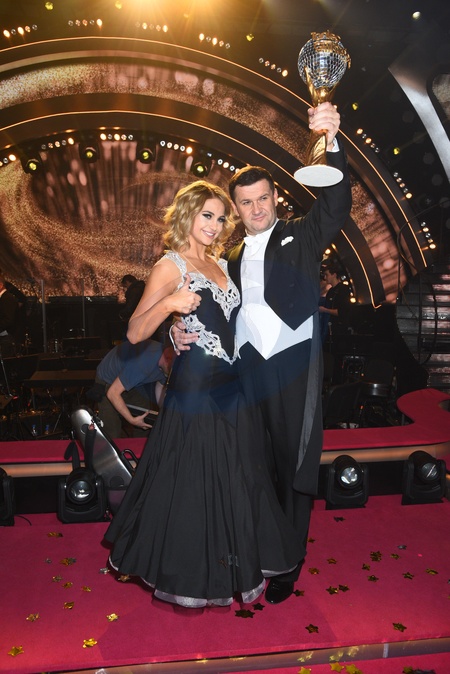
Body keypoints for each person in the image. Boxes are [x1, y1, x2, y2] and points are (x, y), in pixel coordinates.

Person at [173, 102, 352, 604]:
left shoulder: (302, 234)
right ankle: (258, 551)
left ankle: (289, 563)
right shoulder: (226, 258)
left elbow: (337, 204)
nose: (257, 209)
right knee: (253, 466)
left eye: (263, 198)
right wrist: (175, 332)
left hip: (293, 366)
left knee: (293, 466)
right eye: (246, 202)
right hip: (245, 372)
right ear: (236, 209)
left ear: (276, 197)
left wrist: (332, 142)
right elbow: (203, 308)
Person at [104, 180, 303, 608]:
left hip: (232, 387)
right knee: (192, 483)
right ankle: (191, 573)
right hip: (194, 389)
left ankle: (233, 562)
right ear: (187, 215)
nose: (214, 224)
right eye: (206, 215)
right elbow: (135, 331)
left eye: (219, 217)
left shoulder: (221, 264)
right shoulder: (169, 265)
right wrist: (169, 307)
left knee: (238, 478)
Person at [89, 338, 171, 438]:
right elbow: (112, 393)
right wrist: (132, 420)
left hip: (133, 381)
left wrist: (164, 412)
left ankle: (140, 446)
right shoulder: (144, 362)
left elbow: (160, 387)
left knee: (145, 420)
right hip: (109, 380)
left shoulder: (169, 363)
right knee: (112, 430)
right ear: (167, 361)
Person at [0, 276, 19, 358]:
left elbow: (8, 320)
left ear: (1, 285)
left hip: (6, 337)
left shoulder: (7, 298)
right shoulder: (4, 298)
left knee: (6, 361)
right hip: (4, 336)